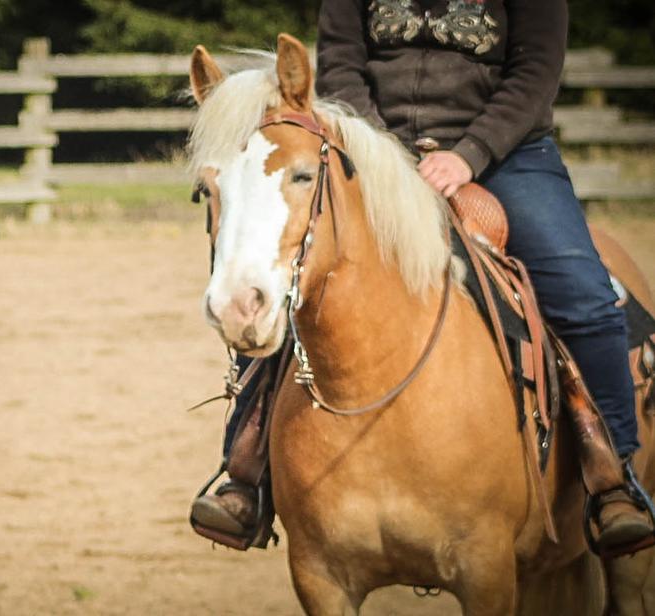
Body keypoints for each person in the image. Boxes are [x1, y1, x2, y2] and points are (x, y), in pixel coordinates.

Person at [191, 0, 654, 553]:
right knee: (292, 272)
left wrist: (468, 156)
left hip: (508, 155)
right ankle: (246, 473)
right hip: (374, 149)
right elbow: (340, 66)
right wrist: (385, 151)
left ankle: (612, 478)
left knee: (583, 295)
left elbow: (534, 74)